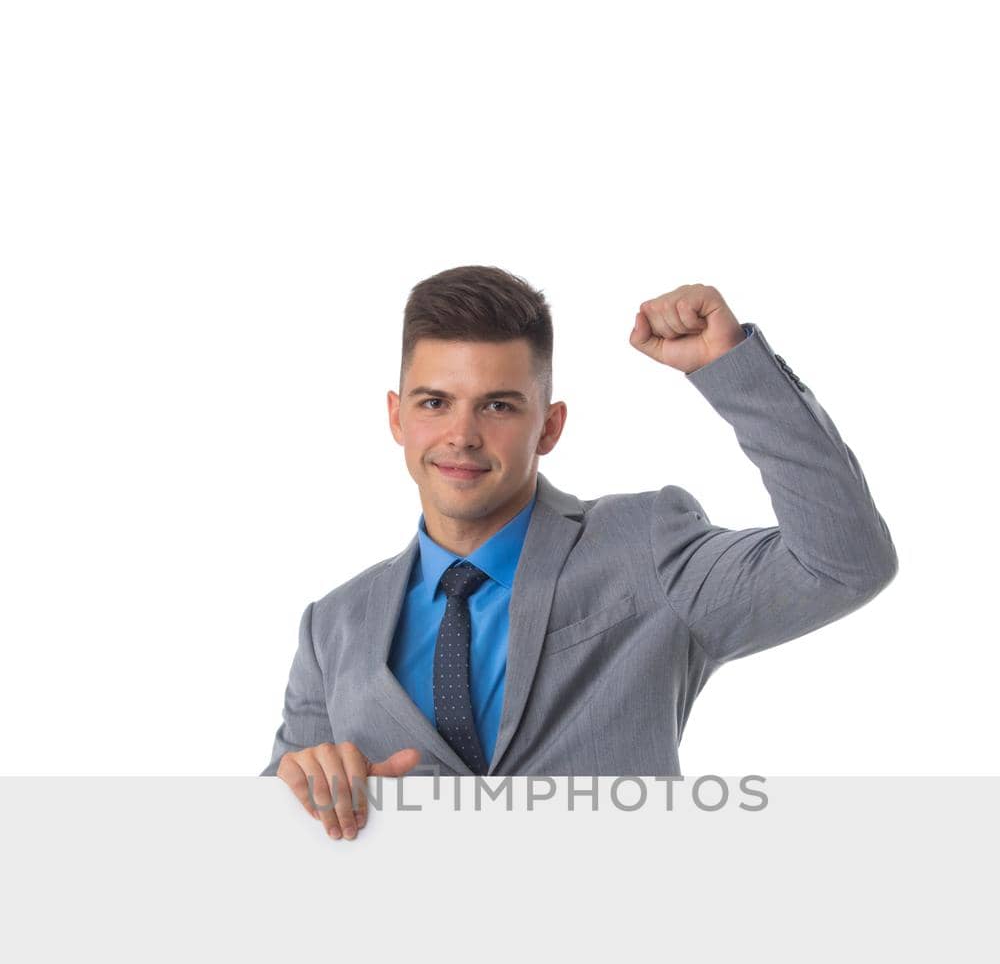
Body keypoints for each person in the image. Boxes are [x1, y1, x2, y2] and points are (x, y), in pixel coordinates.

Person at [261, 265, 897, 840]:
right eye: (435, 403)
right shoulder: (333, 627)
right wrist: (304, 787)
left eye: (499, 406)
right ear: (398, 419)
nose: (461, 435)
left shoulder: (645, 546)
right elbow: (263, 841)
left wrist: (731, 369)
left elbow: (844, 563)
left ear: (551, 426)